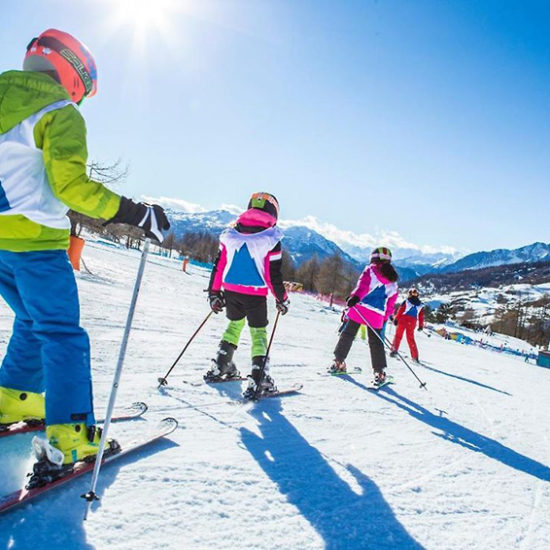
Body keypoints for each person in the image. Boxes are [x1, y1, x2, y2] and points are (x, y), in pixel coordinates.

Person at [0, 29, 170, 470]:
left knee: (31, 319)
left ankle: (14, 400)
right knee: (62, 334)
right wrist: (136, 213)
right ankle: (73, 434)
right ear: (75, 75)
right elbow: (71, 185)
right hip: (36, 246)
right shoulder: (60, 111)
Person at [205, 192, 289, 397]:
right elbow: (273, 275)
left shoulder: (231, 234)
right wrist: (282, 298)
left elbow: (219, 265)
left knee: (235, 324)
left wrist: (214, 293)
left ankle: (222, 364)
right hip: (255, 294)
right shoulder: (271, 237)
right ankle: (258, 378)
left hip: (231, 290)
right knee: (258, 332)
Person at [330, 247, 398, 385]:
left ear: (373, 258)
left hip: (359, 308)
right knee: (376, 342)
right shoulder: (393, 282)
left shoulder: (371, 270)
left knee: (348, 334)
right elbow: (391, 304)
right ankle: (379, 373)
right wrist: (384, 318)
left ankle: (338, 362)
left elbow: (363, 287)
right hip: (377, 314)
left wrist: (354, 298)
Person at [390, 288, 424, 363]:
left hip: (403, 320)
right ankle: (415, 357)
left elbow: (400, 310)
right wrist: (421, 325)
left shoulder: (407, 301)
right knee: (410, 339)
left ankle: (394, 350)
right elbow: (421, 316)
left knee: (398, 336)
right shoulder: (420, 305)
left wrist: (396, 319)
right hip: (412, 322)